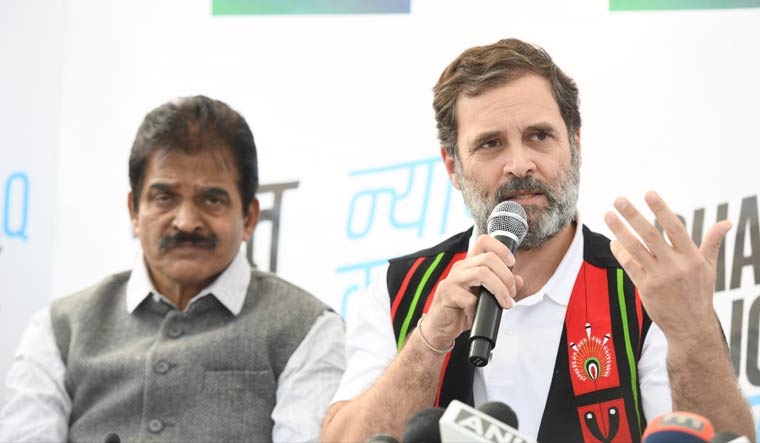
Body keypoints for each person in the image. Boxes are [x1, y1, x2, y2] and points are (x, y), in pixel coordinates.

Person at [321, 39, 754, 442]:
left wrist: (692, 332)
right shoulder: (402, 287)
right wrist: (430, 339)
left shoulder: (643, 288)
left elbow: (724, 438)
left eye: (539, 136)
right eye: (491, 144)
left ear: (575, 146)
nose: (519, 164)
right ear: (452, 166)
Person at [0, 96, 345, 442]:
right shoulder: (59, 330)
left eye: (212, 199)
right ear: (134, 210)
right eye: (165, 198)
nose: (186, 222)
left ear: (250, 217)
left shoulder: (308, 330)